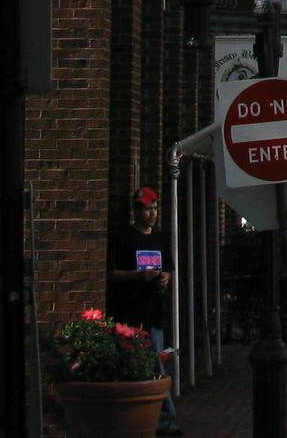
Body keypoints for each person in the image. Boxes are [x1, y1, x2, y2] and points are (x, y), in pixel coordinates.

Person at [107, 187, 180, 436]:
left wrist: (163, 279)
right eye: (147, 209)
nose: (152, 213)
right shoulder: (123, 238)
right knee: (128, 364)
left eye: (154, 208)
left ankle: (165, 419)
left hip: (153, 312)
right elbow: (112, 273)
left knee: (156, 365)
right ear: (136, 211)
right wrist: (139, 276)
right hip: (128, 312)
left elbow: (169, 268)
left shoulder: (159, 239)